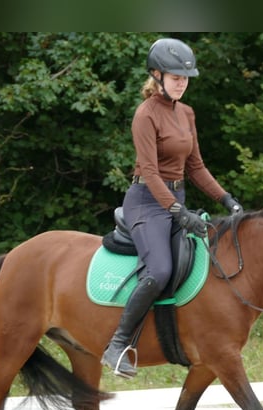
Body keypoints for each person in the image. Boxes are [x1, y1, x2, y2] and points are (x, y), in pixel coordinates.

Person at [101, 37, 244, 378]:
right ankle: (117, 345)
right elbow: (149, 171)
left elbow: (195, 167)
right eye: (176, 76)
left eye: (186, 77)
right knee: (161, 270)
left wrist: (226, 199)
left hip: (175, 201)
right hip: (146, 203)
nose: (182, 82)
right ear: (157, 74)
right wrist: (176, 212)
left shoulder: (187, 114)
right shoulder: (145, 114)